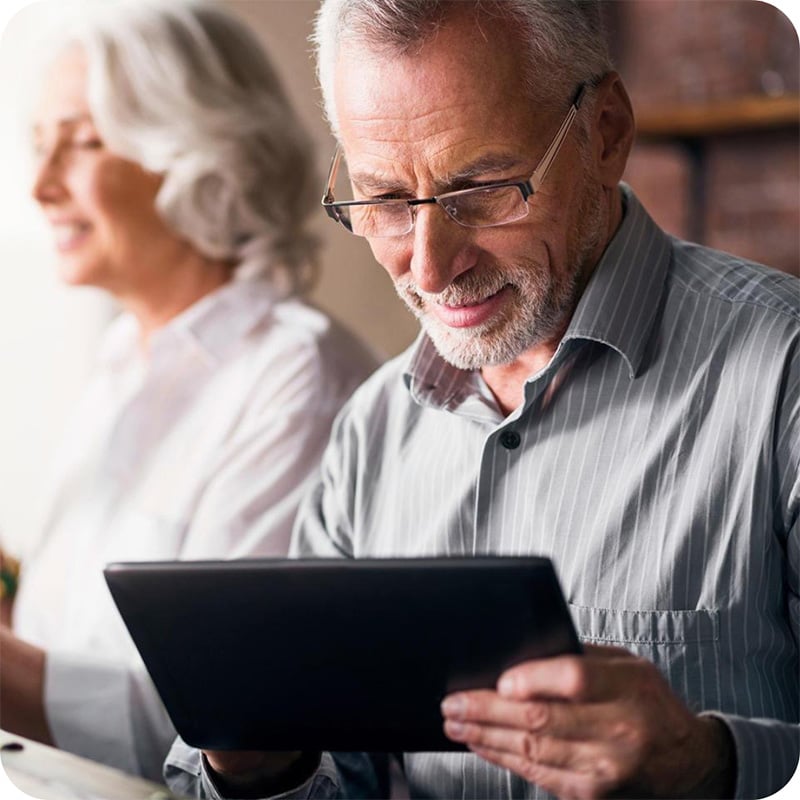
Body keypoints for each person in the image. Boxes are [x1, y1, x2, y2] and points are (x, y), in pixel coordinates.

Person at [163, 0, 799, 798]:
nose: (429, 268)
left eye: (483, 190)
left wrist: (709, 763)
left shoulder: (783, 375)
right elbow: (344, 772)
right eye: (385, 201)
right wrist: (264, 768)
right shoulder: (372, 431)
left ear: (606, 132)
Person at [0, 0, 377, 783]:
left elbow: (225, 729)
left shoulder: (296, 382)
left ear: (201, 155)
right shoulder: (121, 360)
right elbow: (77, 648)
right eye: (39, 146)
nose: (39, 186)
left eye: (83, 142)